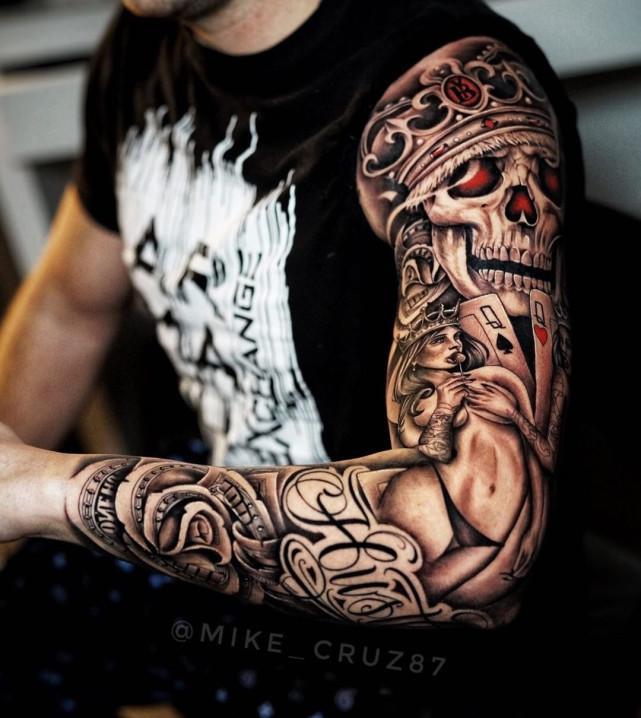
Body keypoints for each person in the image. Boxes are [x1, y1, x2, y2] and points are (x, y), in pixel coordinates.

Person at [0, 0, 586, 714]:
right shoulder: (145, 37)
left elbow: (477, 551)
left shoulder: (453, 104)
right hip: (221, 536)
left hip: (409, 653)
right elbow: (69, 307)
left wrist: (42, 492)